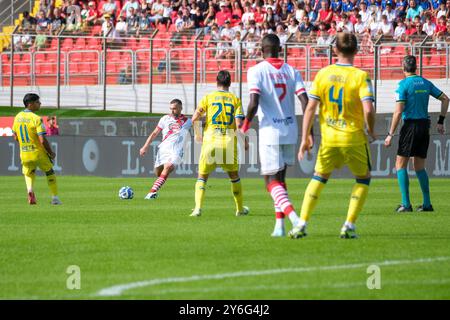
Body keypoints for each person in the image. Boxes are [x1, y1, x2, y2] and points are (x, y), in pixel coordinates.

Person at [292, 33, 376, 239]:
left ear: (335, 50)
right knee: (363, 178)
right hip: (353, 138)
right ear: (356, 51)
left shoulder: (323, 74)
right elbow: (368, 109)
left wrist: (305, 138)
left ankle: (301, 223)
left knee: (319, 178)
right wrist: (371, 130)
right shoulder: (361, 76)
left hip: (329, 138)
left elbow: (310, 108)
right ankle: (348, 225)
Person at [240, 34, 310, 237]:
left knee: (270, 182)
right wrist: (309, 130)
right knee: (280, 180)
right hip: (290, 130)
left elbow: (253, 102)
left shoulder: (256, 70)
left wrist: (244, 127)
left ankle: (296, 219)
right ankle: (279, 226)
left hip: (270, 131)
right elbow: (305, 101)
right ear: (280, 48)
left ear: (261, 50)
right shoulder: (292, 70)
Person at [384, 55, 449, 212]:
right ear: (416, 67)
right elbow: (445, 99)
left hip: (410, 126)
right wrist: (441, 121)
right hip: (424, 127)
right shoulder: (425, 83)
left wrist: (390, 134)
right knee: (419, 166)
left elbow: (398, 111)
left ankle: (406, 204)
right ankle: (427, 204)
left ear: (403, 67)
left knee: (400, 165)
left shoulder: (403, 85)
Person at [190, 70, 249, 217]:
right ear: (230, 83)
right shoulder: (235, 99)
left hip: (210, 141)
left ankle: (197, 208)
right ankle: (240, 209)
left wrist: (198, 135)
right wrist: (245, 141)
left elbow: (194, 118)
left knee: (202, 176)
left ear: (216, 82)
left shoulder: (208, 97)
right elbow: (239, 124)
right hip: (228, 142)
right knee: (234, 176)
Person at [12, 93, 61, 205]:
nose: (40, 104)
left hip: (24, 153)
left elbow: (15, 137)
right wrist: (51, 152)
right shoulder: (36, 119)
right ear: (30, 104)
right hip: (38, 153)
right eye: (38, 102)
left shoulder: (17, 117)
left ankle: (30, 190)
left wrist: (25, 145)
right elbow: (42, 140)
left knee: (29, 173)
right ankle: (55, 198)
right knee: (49, 172)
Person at [139, 99, 192, 199]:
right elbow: (154, 133)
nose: (172, 111)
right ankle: (159, 182)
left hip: (176, 151)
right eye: (171, 109)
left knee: (167, 167)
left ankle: (151, 193)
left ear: (181, 108)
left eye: (175, 109)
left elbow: (201, 123)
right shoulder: (164, 119)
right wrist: (145, 146)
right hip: (163, 150)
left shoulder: (188, 121)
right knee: (158, 173)